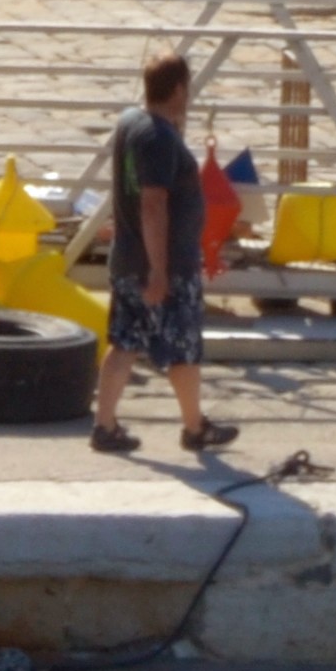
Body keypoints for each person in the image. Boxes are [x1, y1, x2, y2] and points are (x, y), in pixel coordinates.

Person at [93, 49, 232, 456]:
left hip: (127, 258)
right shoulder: (158, 137)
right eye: (187, 88)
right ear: (177, 90)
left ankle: (105, 426)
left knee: (125, 341)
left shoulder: (130, 122)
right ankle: (194, 428)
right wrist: (159, 270)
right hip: (163, 267)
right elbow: (153, 204)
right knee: (183, 349)